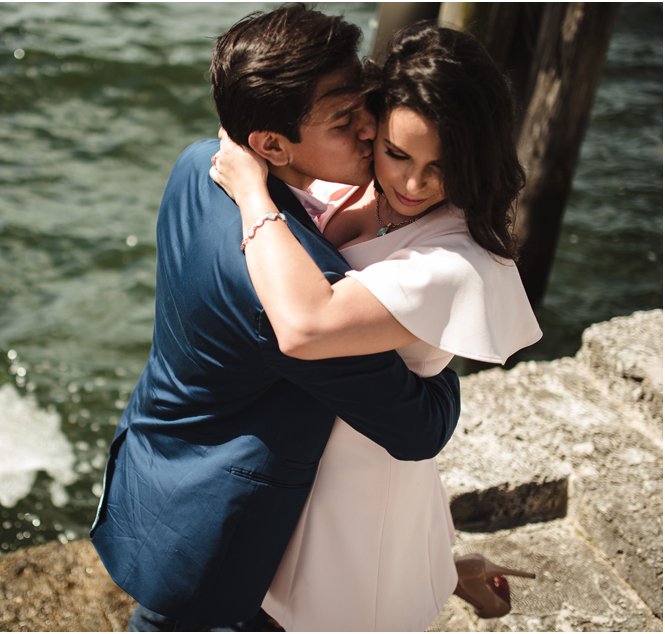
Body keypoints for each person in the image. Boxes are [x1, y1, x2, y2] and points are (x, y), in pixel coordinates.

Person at [89, 5, 461, 631]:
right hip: (223, 545)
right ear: (269, 144)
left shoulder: (199, 164)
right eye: (346, 121)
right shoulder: (296, 293)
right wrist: (438, 344)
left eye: (365, 100)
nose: (372, 126)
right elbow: (419, 428)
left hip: (161, 463)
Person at [209, 21, 542, 631]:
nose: (413, 185)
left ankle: (435, 573)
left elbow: (307, 326)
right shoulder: (356, 182)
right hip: (311, 455)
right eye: (397, 153)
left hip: (355, 489)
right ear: (372, 127)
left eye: (443, 166)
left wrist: (252, 191)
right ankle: (449, 571)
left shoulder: (456, 261)